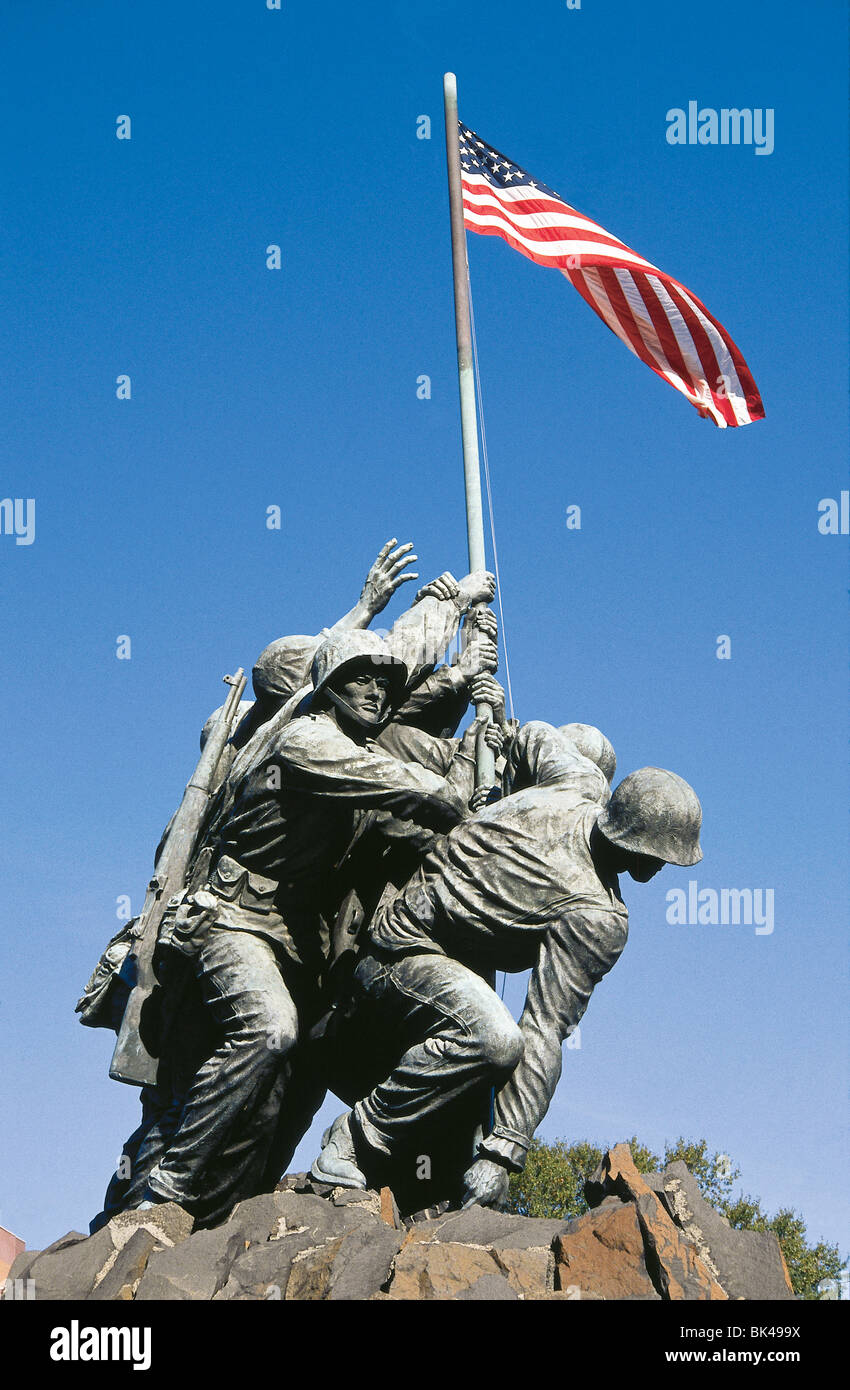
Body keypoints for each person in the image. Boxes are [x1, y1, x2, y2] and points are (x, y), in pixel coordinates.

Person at [115, 629, 496, 1226]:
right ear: (328, 685)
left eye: (383, 683)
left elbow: (413, 833)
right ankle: (168, 1186)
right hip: (233, 920)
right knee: (270, 1030)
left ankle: (225, 1215)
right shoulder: (307, 739)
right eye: (360, 678)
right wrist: (443, 790)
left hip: (296, 943)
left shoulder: (354, 754)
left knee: (284, 1099)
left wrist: (477, 750)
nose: (374, 692)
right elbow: (398, 783)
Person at [311, 723, 703, 1211]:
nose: (663, 868)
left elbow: (529, 734)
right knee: (494, 1040)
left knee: (461, 1141)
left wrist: (499, 800)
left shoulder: (578, 779)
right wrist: (505, 1151)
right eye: (661, 855)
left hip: (438, 965)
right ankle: (354, 1136)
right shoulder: (597, 915)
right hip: (398, 953)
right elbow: (542, 1029)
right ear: (636, 843)